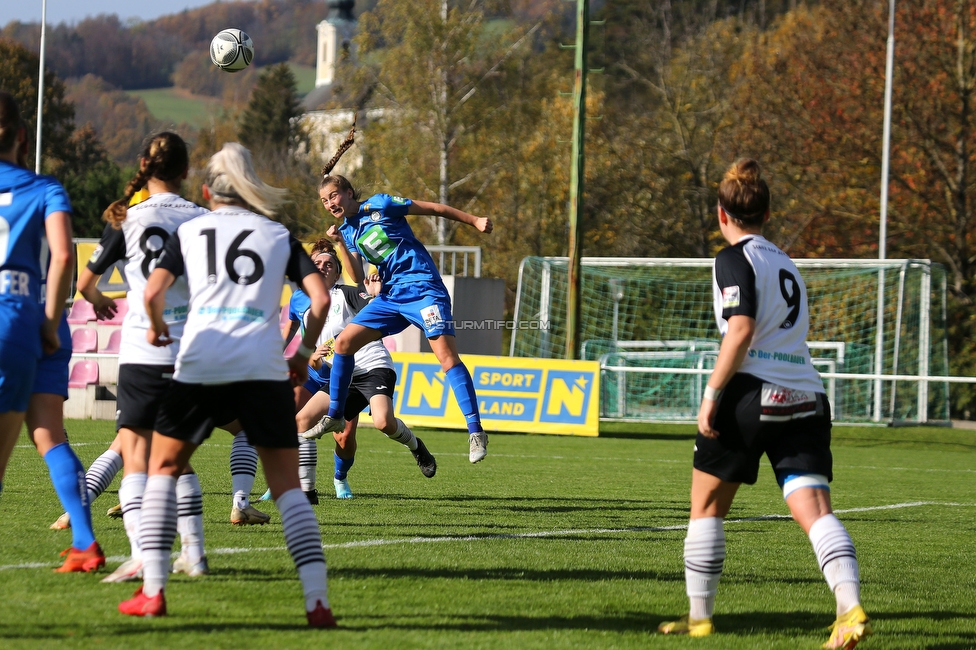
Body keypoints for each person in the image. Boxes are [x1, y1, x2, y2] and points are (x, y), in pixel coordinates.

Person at [118, 142, 336, 628]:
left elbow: (153, 292)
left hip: (200, 362)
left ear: (206, 191)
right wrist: (300, 356)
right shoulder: (277, 234)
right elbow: (318, 300)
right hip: (261, 368)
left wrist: (155, 327)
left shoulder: (192, 229)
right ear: (248, 188)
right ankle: (317, 601)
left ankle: (153, 592)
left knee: (163, 469)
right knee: (286, 488)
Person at [657, 159, 871, 649]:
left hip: (752, 393)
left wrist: (711, 396)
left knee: (706, 507)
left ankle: (699, 619)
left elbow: (741, 328)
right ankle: (849, 608)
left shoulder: (733, 258)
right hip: (807, 396)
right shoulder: (787, 262)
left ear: (721, 214)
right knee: (815, 509)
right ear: (768, 212)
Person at [80, 132, 211, 582]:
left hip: (141, 346)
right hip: (190, 348)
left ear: (142, 166)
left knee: (136, 453)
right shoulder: (202, 218)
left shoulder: (127, 219)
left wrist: (98, 300)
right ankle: (194, 552)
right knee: (178, 454)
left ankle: (142, 554)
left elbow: (84, 283)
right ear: (186, 171)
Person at [307, 165, 493, 464]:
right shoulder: (350, 230)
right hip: (391, 296)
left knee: (446, 357)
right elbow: (355, 276)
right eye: (325, 201)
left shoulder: (381, 204)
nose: (330, 204)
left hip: (423, 291)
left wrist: (474, 220)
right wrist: (340, 242)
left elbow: (433, 208)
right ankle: (335, 416)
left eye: (333, 196)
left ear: (348, 192)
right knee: (343, 343)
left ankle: (475, 431)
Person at [0, 90, 104, 571]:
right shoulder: (46, 189)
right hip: (44, 320)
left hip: (6, 319)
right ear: (22, 135)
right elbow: (64, 256)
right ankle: (84, 542)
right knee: (49, 435)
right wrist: (48, 318)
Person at [298, 242, 436, 498]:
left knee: (384, 423)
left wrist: (375, 296)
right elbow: (321, 365)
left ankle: (417, 447)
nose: (323, 267)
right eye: (317, 264)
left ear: (337, 274)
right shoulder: (308, 313)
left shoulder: (347, 294)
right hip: (343, 377)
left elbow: (377, 317)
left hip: (373, 366)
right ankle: (307, 491)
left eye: (329, 264)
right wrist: (314, 359)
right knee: (302, 421)